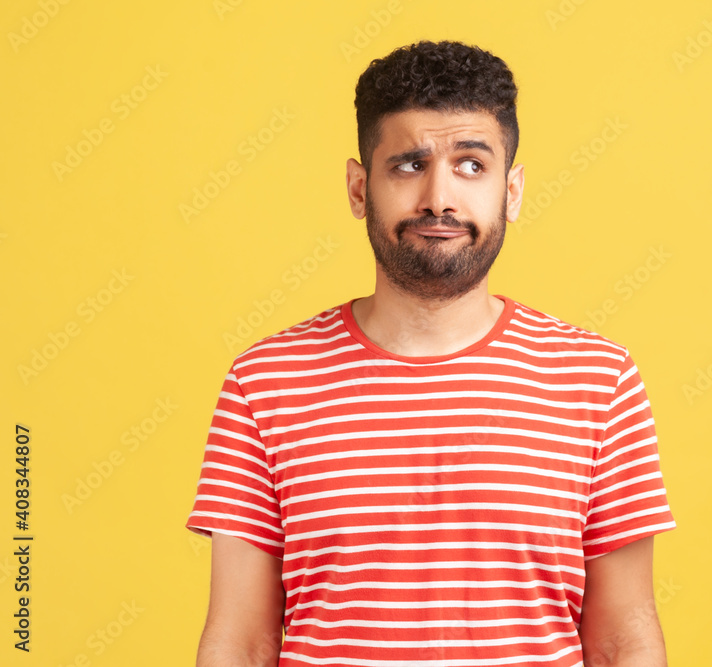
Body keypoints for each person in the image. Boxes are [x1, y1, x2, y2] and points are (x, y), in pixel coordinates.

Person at [186, 39, 676, 667]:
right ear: (359, 188)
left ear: (513, 190)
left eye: (472, 165)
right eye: (409, 165)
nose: (439, 198)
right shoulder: (265, 381)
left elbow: (621, 640)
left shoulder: (598, 380)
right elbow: (241, 641)